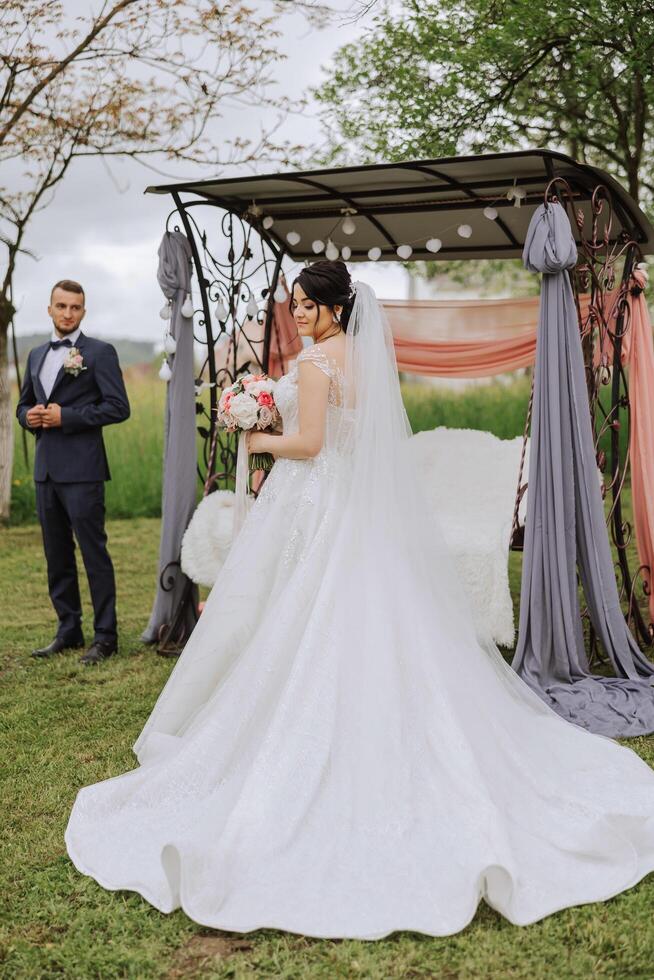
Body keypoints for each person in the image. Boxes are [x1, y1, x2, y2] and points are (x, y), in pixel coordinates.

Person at [65, 261, 654, 938]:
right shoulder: (363, 359)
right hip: (351, 504)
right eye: (297, 305)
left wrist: (256, 434)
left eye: (310, 305)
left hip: (314, 501)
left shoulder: (316, 360)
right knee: (348, 620)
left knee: (303, 618)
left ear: (336, 309)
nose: (301, 315)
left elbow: (311, 444)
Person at [16, 280, 130, 665]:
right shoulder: (35, 355)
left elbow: (118, 407)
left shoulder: (99, 353)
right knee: (56, 555)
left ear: (84, 311)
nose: (68, 313)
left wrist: (68, 416)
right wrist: (27, 417)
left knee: (93, 553)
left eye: (75, 307)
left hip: (83, 471)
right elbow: (24, 406)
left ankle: (105, 636)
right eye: (61, 306)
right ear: (49, 309)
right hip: (45, 471)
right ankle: (68, 629)